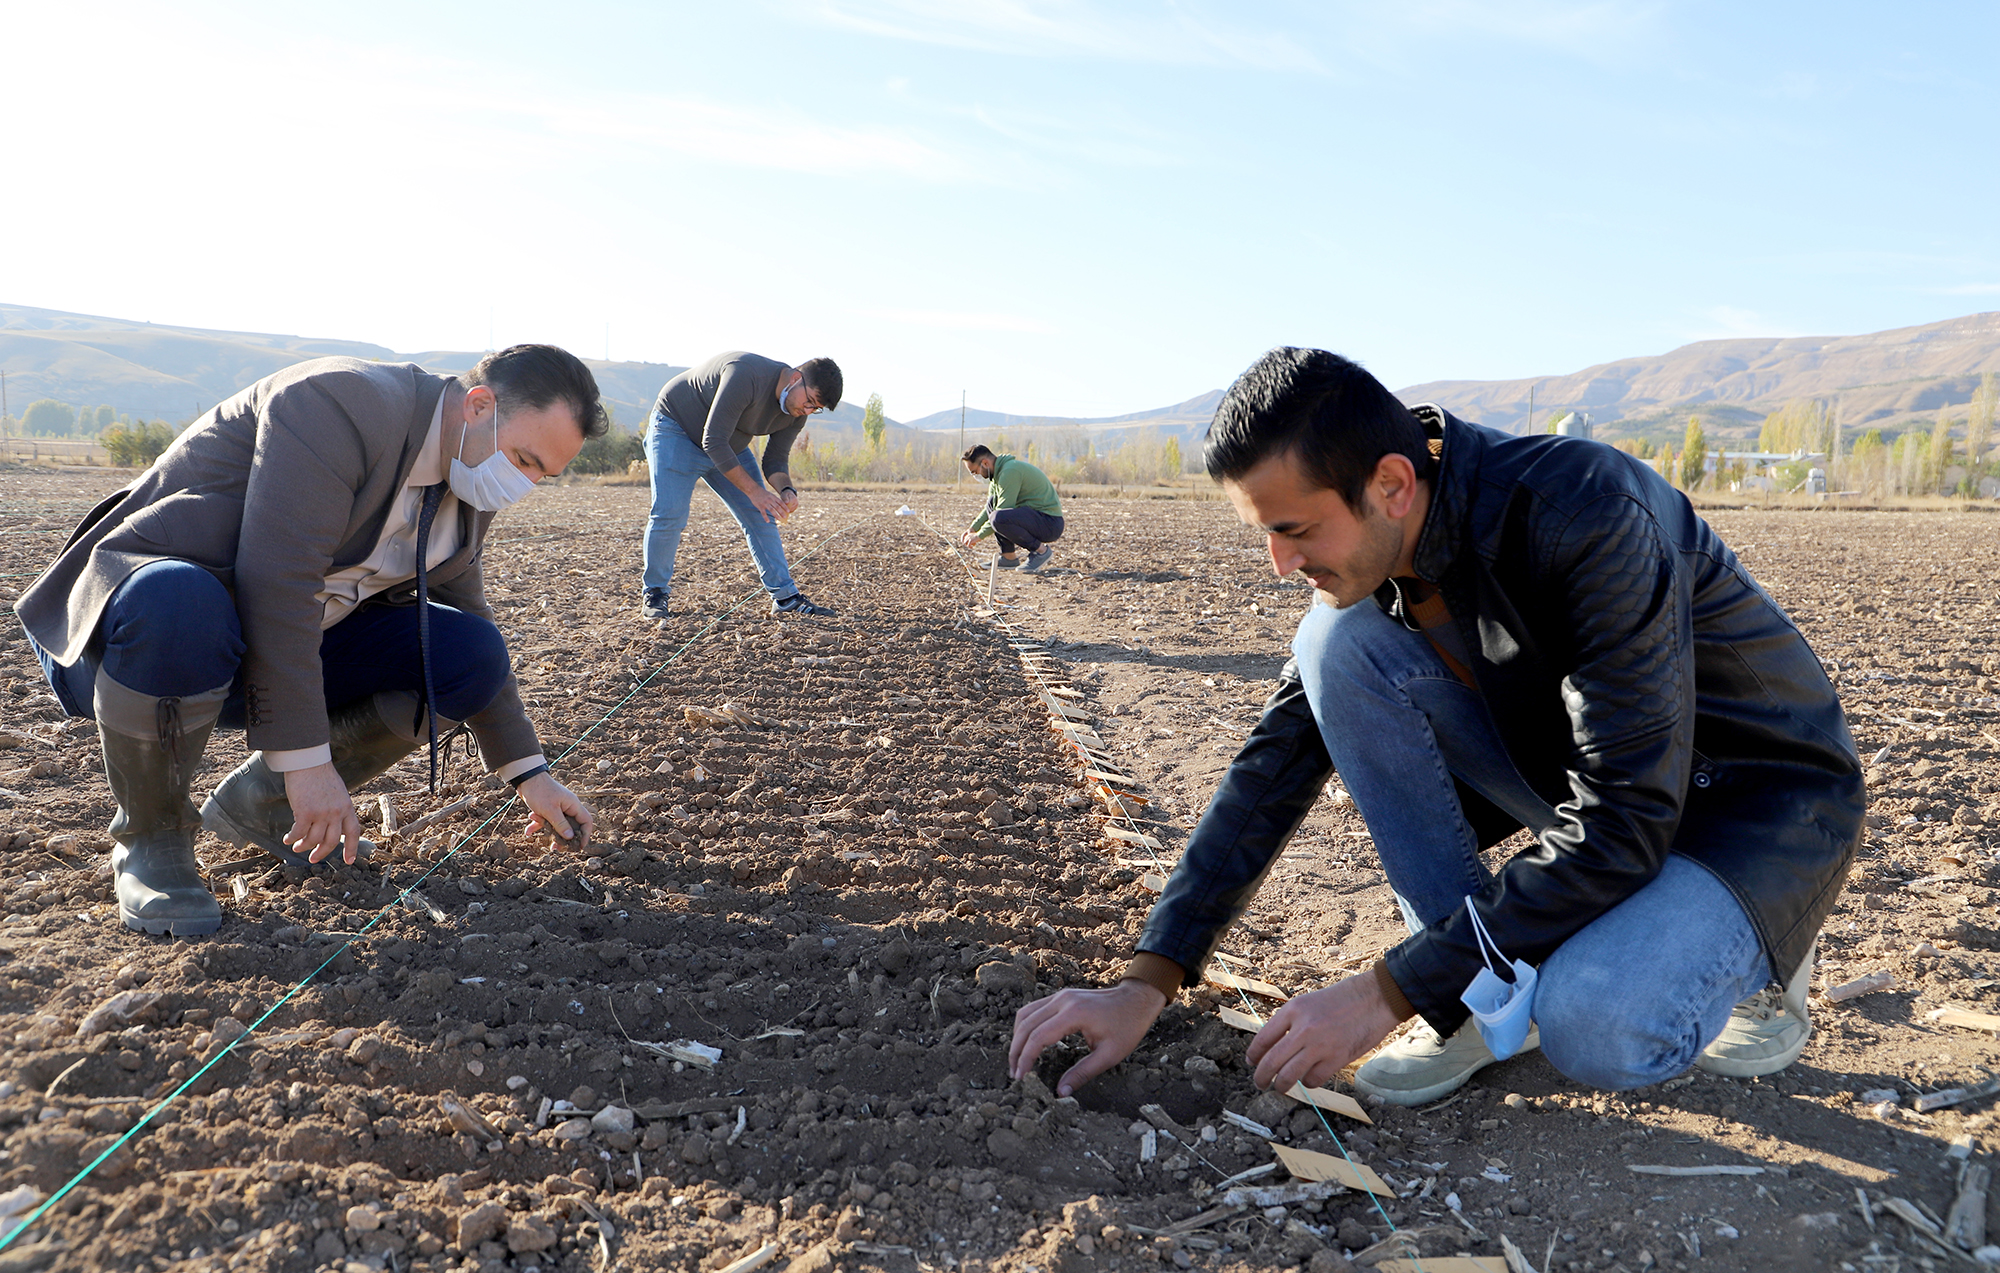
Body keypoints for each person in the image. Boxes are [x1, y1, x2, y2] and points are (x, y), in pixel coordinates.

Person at [1010, 347, 1862, 1106]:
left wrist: (1382, 992)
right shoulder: (1384, 550)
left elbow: (1628, 818)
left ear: (1390, 484)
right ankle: (1469, 990)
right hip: (1593, 784)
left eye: (1293, 529)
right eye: (1264, 533)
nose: (1280, 563)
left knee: (1594, 1026)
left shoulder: (1585, 516)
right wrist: (1146, 982)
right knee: (1331, 645)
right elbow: (1272, 767)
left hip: (1749, 804)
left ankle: (1757, 952)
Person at [14, 346, 602, 937]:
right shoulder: (341, 402)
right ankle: (152, 839)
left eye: (541, 476)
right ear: (478, 406)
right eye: (525, 460)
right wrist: (308, 762)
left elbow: (464, 607)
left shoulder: (467, 474)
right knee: (180, 597)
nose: (522, 484)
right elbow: (279, 582)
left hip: (264, 656)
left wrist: (530, 773)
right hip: (141, 640)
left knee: (467, 652)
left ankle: (262, 807)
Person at [640, 351, 841, 620]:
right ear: (795, 378)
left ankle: (786, 598)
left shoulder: (796, 412)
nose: (807, 411)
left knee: (763, 514)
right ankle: (655, 592)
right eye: (809, 402)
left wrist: (786, 490)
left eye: (815, 409)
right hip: (677, 429)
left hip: (728, 442)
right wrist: (755, 492)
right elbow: (713, 440)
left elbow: (775, 460)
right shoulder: (745, 374)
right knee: (670, 513)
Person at [957, 444, 1064, 572]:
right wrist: (973, 528)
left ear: (985, 463)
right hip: (1033, 517)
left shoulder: (1010, 471)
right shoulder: (996, 477)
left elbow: (1001, 513)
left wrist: (979, 536)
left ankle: (1041, 551)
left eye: (974, 472)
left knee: (999, 517)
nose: (975, 476)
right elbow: (990, 509)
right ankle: (1009, 557)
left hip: (1049, 523)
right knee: (992, 504)